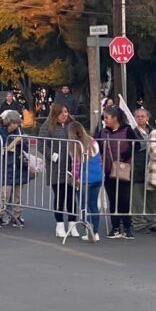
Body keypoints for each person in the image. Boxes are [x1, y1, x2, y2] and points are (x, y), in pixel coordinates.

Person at [39, 102, 77, 238]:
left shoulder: (72, 125)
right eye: (61, 112)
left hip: (71, 166)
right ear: (55, 113)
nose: (64, 115)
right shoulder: (47, 125)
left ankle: (72, 224)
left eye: (65, 112)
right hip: (56, 167)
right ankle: (59, 224)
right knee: (60, 195)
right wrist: (52, 156)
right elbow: (41, 144)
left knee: (72, 196)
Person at [97, 106, 136, 239]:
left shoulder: (127, 130)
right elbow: (97, 147)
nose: (105, 120)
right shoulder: (102, 132)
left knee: (124, 199)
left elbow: (137, 145)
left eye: (107, 117)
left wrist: (125, 156)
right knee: (113, 199)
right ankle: (115, 227)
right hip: (108, 170)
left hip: (124, 170)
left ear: (115, 118)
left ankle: (127, 226)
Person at [0, 110, 29, 229]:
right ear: (8, 122)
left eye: (17, 123)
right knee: (4, 194)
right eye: (14, 123)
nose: (16, 126)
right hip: (6, 165)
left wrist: (22, 143)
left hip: (18, 165)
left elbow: (26, 148)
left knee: (18, 195)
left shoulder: (20, 131)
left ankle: (17, 216)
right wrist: (13, 143)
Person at [69, 121, 103, 241]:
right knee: (93, 206)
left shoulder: (75, 145)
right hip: (97, 177)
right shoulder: (93, 141)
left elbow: (76, 165)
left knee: (84, 206)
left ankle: (88, 231)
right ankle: (96, 232)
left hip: (84, 179)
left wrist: (75, 178)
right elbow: (99, 159)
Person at [129, 108, 156, 233]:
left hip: (153, 168)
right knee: (138, 198)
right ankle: (139, 223)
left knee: (152, 197)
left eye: (143, 116)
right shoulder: (131, 132)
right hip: (138, 168)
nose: (140, 118)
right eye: (138, 116)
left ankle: (150, 221)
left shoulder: (154, 131)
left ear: (147, 118)